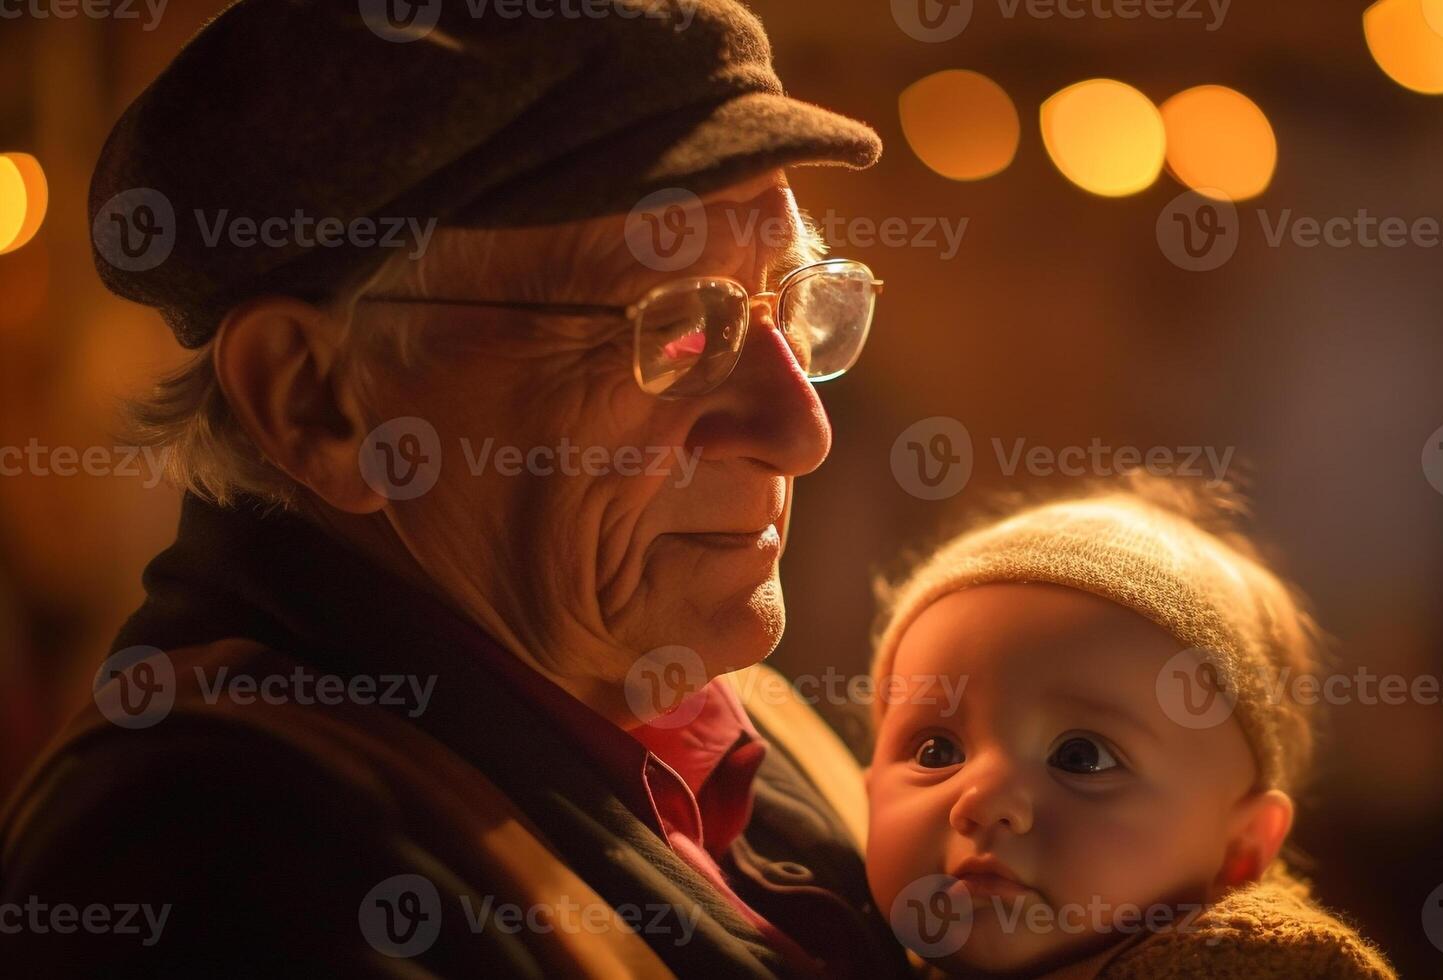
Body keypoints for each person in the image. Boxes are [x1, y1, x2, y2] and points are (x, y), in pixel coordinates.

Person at [0, 1, 911, 976]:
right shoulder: (220, 854)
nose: (799, 430)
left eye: (793, 302)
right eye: (678, 328)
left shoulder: (713, 695)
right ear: (320, 404)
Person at [865, 476, 1396, 978]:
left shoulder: (1267, 964)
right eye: (936, 751)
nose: (982, 801)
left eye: (1082, 757)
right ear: (865, 788)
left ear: (1240, 851)